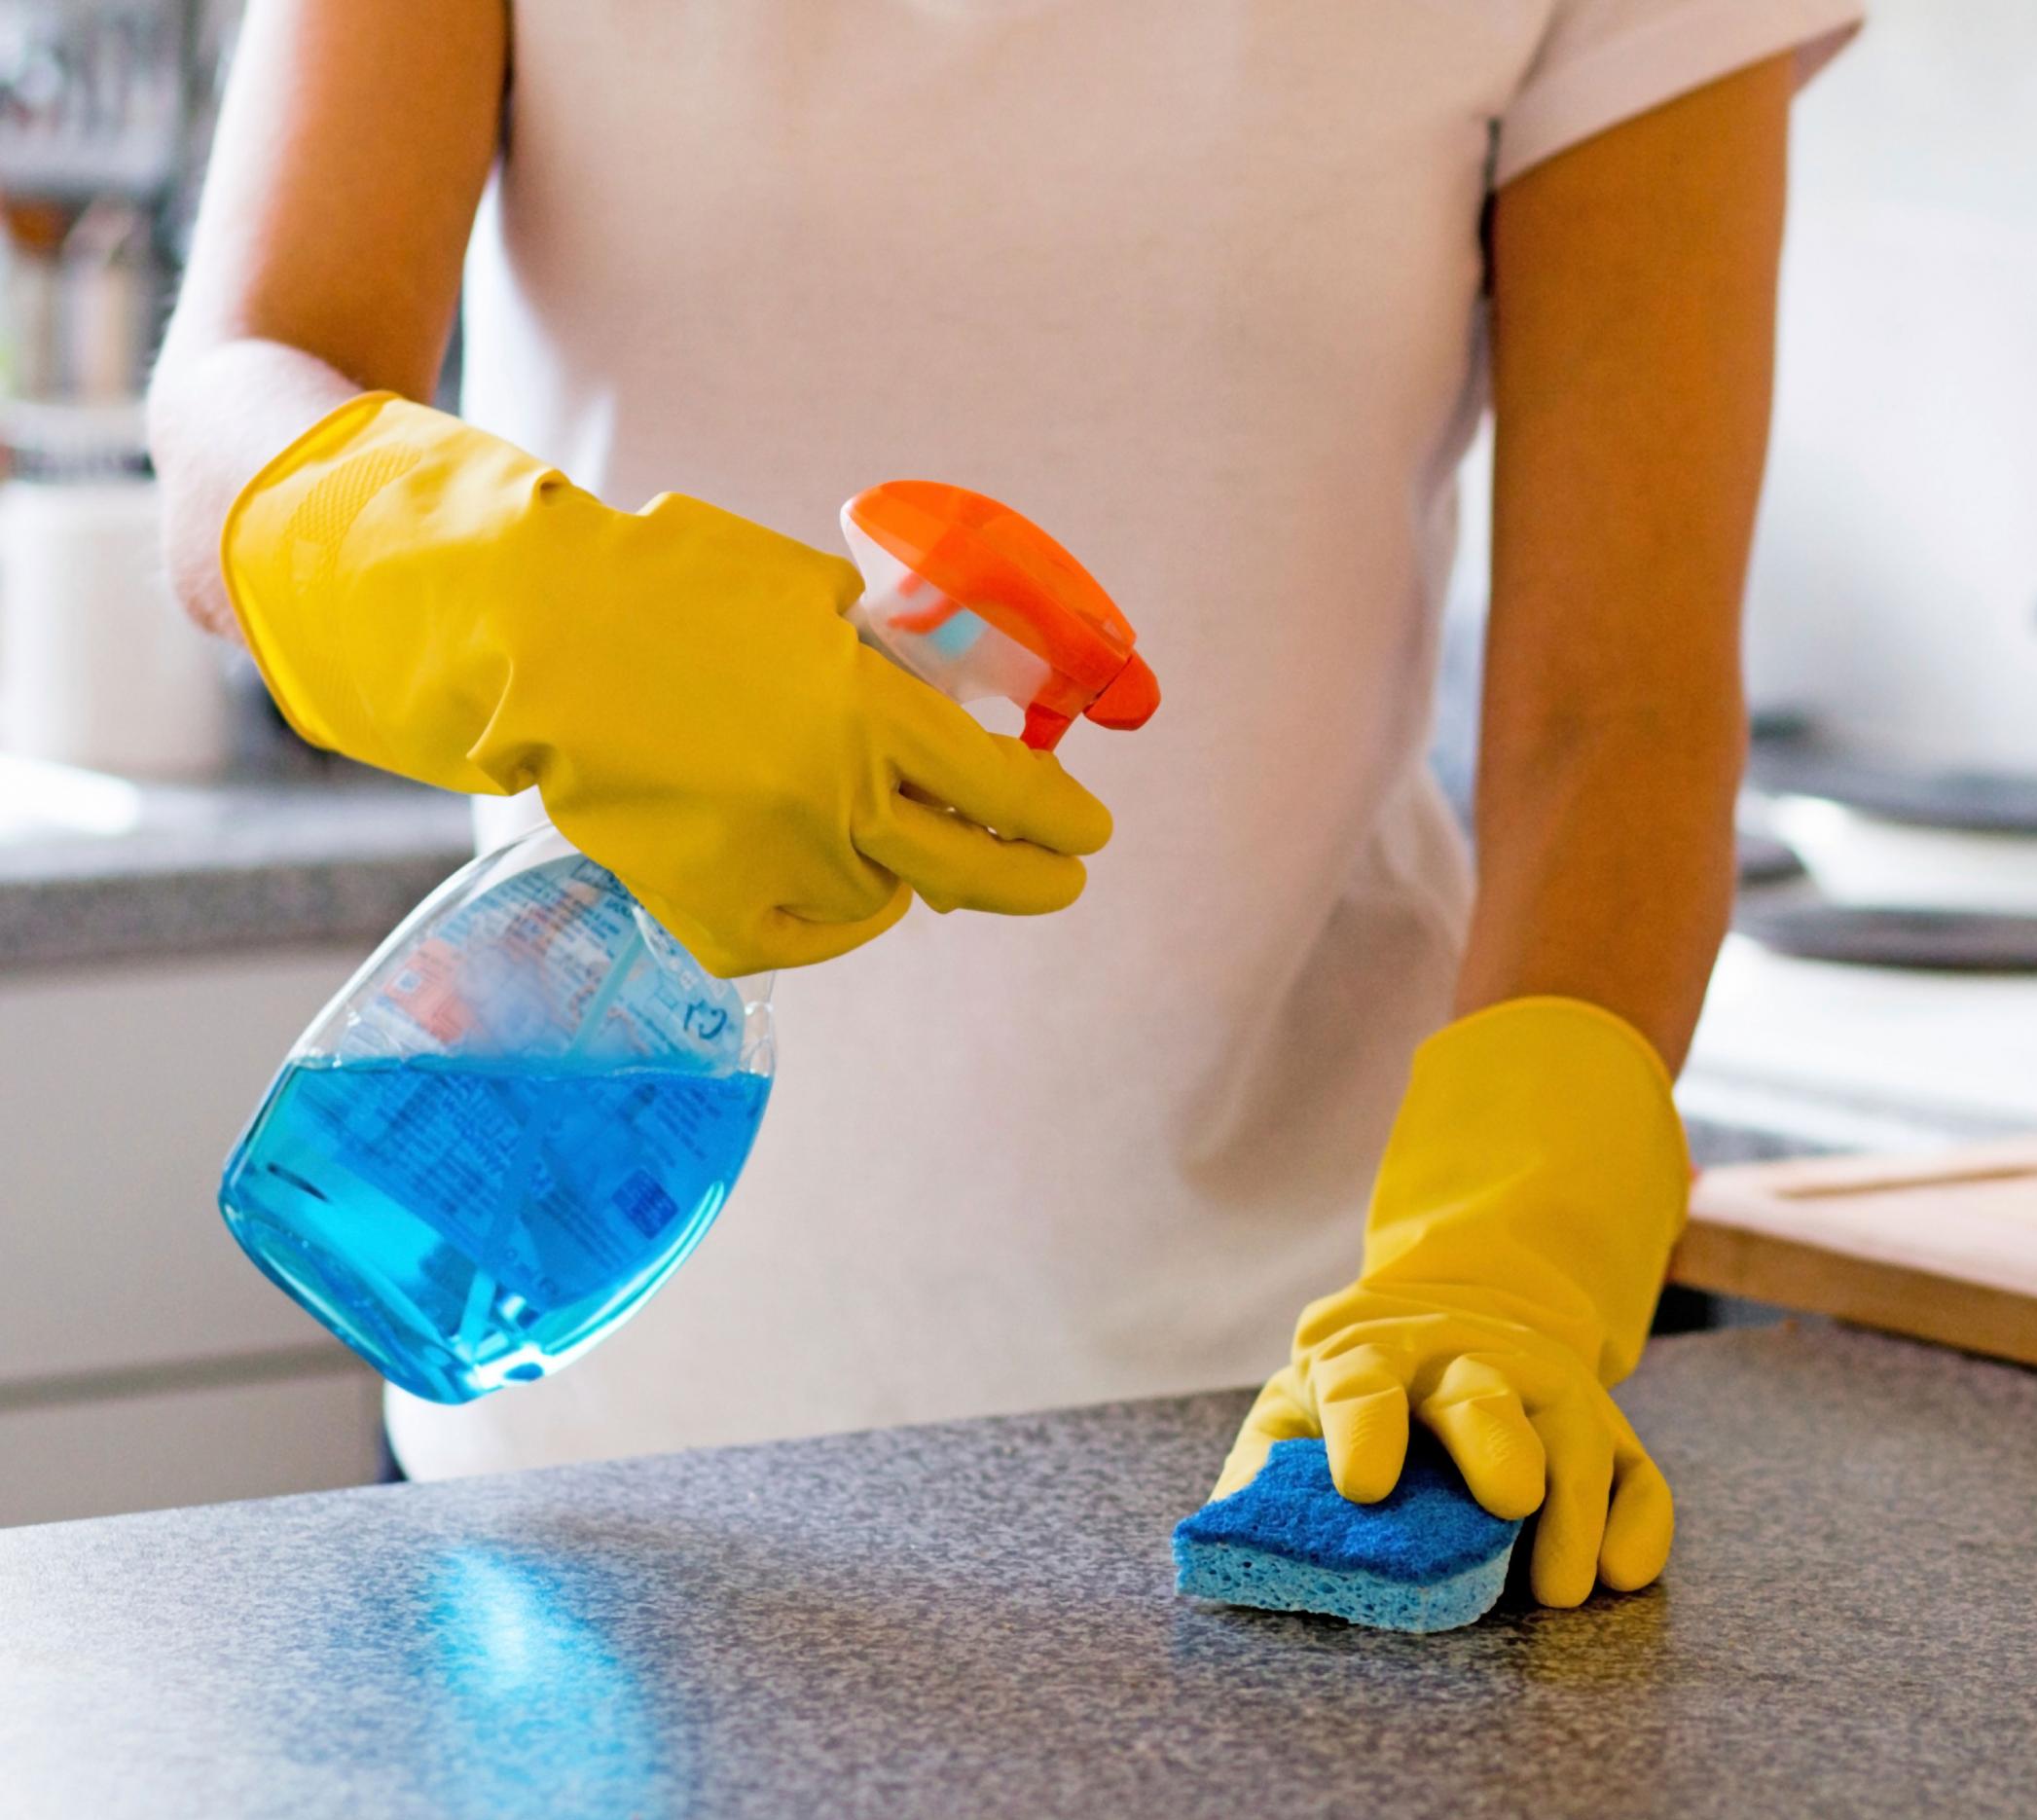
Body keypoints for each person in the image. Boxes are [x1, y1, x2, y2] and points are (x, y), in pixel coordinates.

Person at [151, 0, 1860, 1609]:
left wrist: (1507, 1254)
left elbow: (1616, 708)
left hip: (1288, 1435)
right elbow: (245, 392)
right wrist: (520, 596)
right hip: (570, 1431)